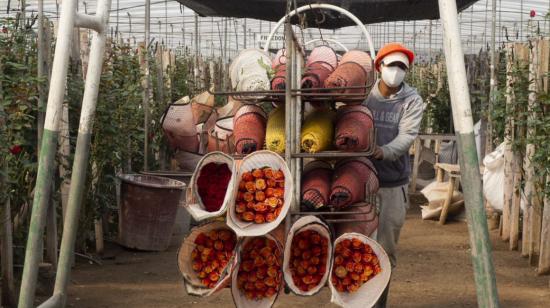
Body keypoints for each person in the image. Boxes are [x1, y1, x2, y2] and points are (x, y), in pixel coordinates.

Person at [364, 43, 424, 307]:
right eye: (392, 65)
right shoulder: (364, 94)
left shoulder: (412, 100)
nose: (396, 71)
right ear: (379, 67)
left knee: (385, 249)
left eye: (402, 67)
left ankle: (378, 303)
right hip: (360, 184)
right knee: (358, 245)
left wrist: (382, 151)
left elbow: (407, 136)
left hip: (392, 184)